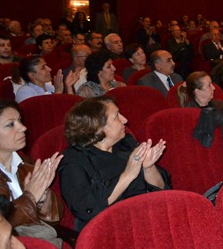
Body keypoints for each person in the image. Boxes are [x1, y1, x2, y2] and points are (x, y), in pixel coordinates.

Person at [59, 96, 170, 231]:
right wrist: (128, 174)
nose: (125, 120)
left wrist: (149, 167)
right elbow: (87, 208)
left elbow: (162, 189)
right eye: (117, 116)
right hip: (109, 228)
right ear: (98, 126)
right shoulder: (73, 160)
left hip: (147, 215)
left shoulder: (126, 143)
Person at [0, 99, 64, 247]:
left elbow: (54, 219)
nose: (23, 128)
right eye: (10, 124)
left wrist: (42, 198)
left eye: (19, 121)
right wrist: (30, 197)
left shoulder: (25, 163)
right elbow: (1, 228)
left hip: (40, 239)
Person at [176, 71, 223, 174]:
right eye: (209, 85)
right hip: (209, 159)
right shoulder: (189, 115)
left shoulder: (218, 104)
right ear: (198, 91)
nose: (214, 88)